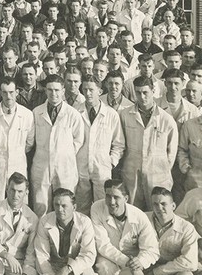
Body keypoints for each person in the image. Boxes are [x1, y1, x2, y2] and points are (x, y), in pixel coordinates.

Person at [92, 179, 160, 275]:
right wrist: (129, 263)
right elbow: (102, 245)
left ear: (126, 198)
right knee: (103, 268)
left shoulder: (139, 216)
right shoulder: (97, 208)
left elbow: (152, 249)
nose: (111, 202)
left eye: (116, 197)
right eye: (108, 196)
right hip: (108, 256)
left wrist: (140, 263)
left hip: (130, 263)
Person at [33, 188, 97, 275]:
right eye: (56, 205)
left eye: (64, 206)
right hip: (53, 266)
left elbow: (89, 255)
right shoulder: (45, 221)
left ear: (74, 207)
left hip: (73, 266)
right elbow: (42, 256)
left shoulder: (84, 222)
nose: (60, 209)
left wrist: (68, 269)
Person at [119, 76, 179, 210]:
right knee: (133, 210)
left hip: (158, 174)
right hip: (132, 172)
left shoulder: (166, 119)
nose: (142, 97)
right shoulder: (125, 115)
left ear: (153, 91)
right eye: (138, 93)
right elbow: (120, 144)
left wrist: (162, 168)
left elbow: (172, 152)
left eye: (145, 92)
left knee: (158, 209)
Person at [30, 74, 84, 216]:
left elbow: (78, 140)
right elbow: (31, 139)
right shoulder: (37, 112)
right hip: (41, 166)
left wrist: (64, 153)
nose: (53, 93)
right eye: (50, 90)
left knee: (65, 206)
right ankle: (42, 236)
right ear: (46, 91)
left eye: (57, 90)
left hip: (65, 167)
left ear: (63, 91)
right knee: (41, 207)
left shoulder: (73, 114)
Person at [75, 76, 125, 214]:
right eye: (84, 89)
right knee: (81, 206)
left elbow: (119, 144)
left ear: (100, 91)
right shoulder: (75, 112)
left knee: (103, 205)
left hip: (102, 166)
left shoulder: (110, 114)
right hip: (80, 165)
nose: (88, 93)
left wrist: (111, 161)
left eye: (91, 89)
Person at [0, 77, 35, 206]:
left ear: (17, 92)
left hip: (18, 164)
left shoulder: (27, 115)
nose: (8, 96)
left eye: (11, 92)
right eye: (5, 92)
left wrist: (15, 152)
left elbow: (29, 143)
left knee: (20, 204)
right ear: (0, 93)